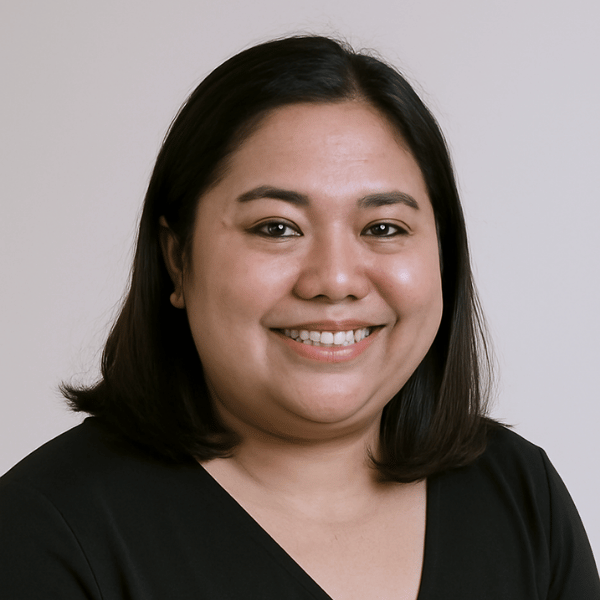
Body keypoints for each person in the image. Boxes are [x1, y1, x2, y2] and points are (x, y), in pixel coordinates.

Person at [0, 35, 598, 599]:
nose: (334, 280)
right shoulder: (44, 533)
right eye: (277, 228)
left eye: (383, 227)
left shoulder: (520, 493)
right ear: (177, 258)